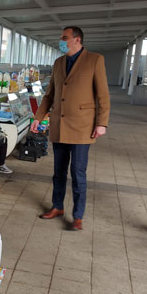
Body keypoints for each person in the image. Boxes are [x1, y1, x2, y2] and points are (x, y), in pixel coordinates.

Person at [31, 26, 110, 231]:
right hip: (59, 124)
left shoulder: (94, 60)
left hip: (83, 126)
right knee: (58, 171)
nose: (61, 41)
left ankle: (78, 215)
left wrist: (101, 123)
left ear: (77, 40)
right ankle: (57, 206)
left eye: (64, 37)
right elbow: (50, 94)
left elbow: (102, 94)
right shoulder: (58, 63)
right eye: (61, 37)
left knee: (77, 172)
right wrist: (38, 117)